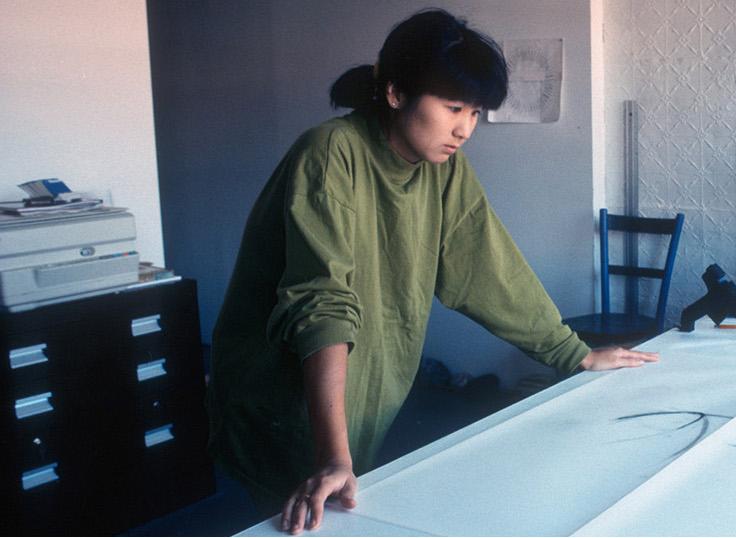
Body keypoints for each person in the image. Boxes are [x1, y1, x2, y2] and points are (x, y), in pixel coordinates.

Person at [204, 9, 658, 535]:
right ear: (396, 93)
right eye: (452, 108)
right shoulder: (331, 153)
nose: (465, 129)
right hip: (289, 401)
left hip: (362, 399)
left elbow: (488, 269)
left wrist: (572, 354)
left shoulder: (444, 170)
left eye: (474, 113)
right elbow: (322, 302)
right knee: (293, 521)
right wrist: (333, 454)